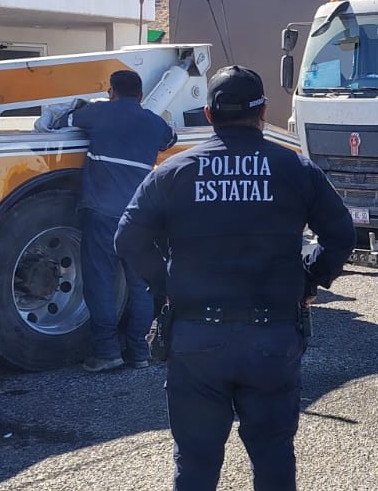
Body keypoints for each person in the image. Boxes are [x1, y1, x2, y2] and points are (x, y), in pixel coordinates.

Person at [115, 65, 354, 491]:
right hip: (271, 339)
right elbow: (340, 235)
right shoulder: (296, 170)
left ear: (208, 113)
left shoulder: (174, 172)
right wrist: (309, 280)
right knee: (273, 456)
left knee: (196, 462)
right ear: (262, 112)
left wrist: (164, 283)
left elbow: (129, 236)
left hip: (196, 341)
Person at [55, 69, 176, 372]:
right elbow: (170, 138)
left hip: (103, 213)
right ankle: (139, 352)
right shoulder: (152, 122)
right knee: (139, 284)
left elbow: (61, 122)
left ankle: (106, 351)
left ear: (112, 92)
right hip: (139, 216)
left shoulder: (99, 113)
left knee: (101, 281)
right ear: (140, 94)